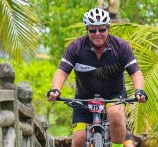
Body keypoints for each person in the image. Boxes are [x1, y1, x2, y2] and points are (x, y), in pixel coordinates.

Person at [47, 8, 148, 147]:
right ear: (87, 29)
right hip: (83, 99)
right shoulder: (76, 47)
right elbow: (62, 71)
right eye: (92, 30)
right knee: (78, 140)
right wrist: (55, 90)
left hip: (113, 96)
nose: (97, 34)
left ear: (108, 28)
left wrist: (139, 90)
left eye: (101, 30)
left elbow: (135, 72)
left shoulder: (121, 47)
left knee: (115, 113)